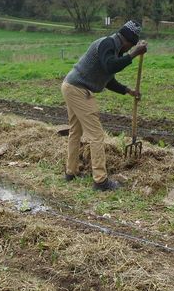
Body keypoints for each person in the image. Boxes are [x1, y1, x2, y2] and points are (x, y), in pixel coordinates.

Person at [62, 20, 148, 191]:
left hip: (71, 86)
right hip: (78, 89)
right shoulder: (107, 44)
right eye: (130, 47)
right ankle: (100, 181)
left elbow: (108, 79)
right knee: (96, 135)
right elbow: (110, 66)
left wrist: (127, 91)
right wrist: (133, 55)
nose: (128, 50)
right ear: (127, 42)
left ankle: (70, 172)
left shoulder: (112, 48)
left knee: (75, 131)